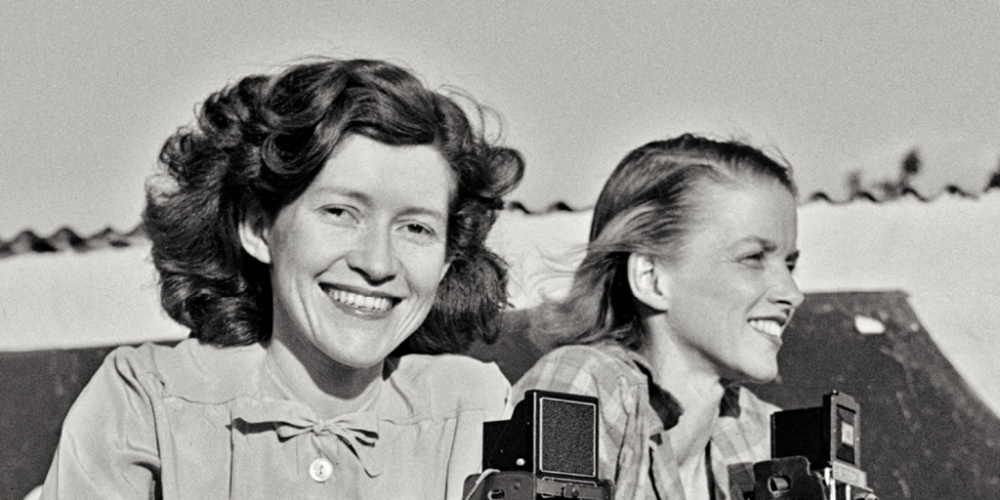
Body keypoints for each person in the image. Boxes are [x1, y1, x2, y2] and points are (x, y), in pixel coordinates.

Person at [39, 57, 525, 499]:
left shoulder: (480, 412)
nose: (378, 264)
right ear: (257, 228)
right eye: (340, 212)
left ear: (445, 260)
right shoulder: (144, 402)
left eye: (416, 228)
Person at [512, 134, 804, 500]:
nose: (792, 293)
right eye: (753, 258)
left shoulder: (762, 433)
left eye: (790, 264)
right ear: (652, 278)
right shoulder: (583, 388)